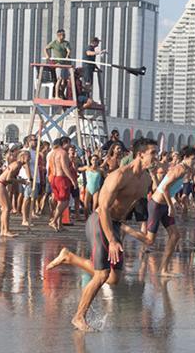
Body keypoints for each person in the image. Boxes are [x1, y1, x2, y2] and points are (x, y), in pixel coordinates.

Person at [46, 137, 159, 332]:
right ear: (140, 154)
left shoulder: (146, 179)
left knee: (114, 279)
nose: (156, 157)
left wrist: (129, 230)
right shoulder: (119, 175)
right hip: (99, 222)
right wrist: (113, 240)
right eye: (153, 154)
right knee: (102, 274)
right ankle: (79, 317)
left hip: (115, 225)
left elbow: (137, 206)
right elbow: (104, 208)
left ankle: (69, 257)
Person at [47, 138, 78, 231]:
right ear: (64, 143)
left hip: (54, 178)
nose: (69, 146)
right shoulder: (63, 153)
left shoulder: (52, 153)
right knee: (65, 202)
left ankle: (60, 225)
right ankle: (54, 220)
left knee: (60, 202)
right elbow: (65, 167)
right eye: (69, 143)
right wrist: (72, 180)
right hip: (61, 178)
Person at [42, 28, 72, 99]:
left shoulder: (66, 43)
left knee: (65, 81)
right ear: (59, 35)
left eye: (64, 35)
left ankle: (61, 93)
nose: (64, 36)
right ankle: (56, 96)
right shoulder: (54, 43)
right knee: (59, 79)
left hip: (65, 64)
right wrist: (47, 55)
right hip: (58, 64)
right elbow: (45, 48)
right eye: (63, 35)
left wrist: (67, 56)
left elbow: (68, 50)